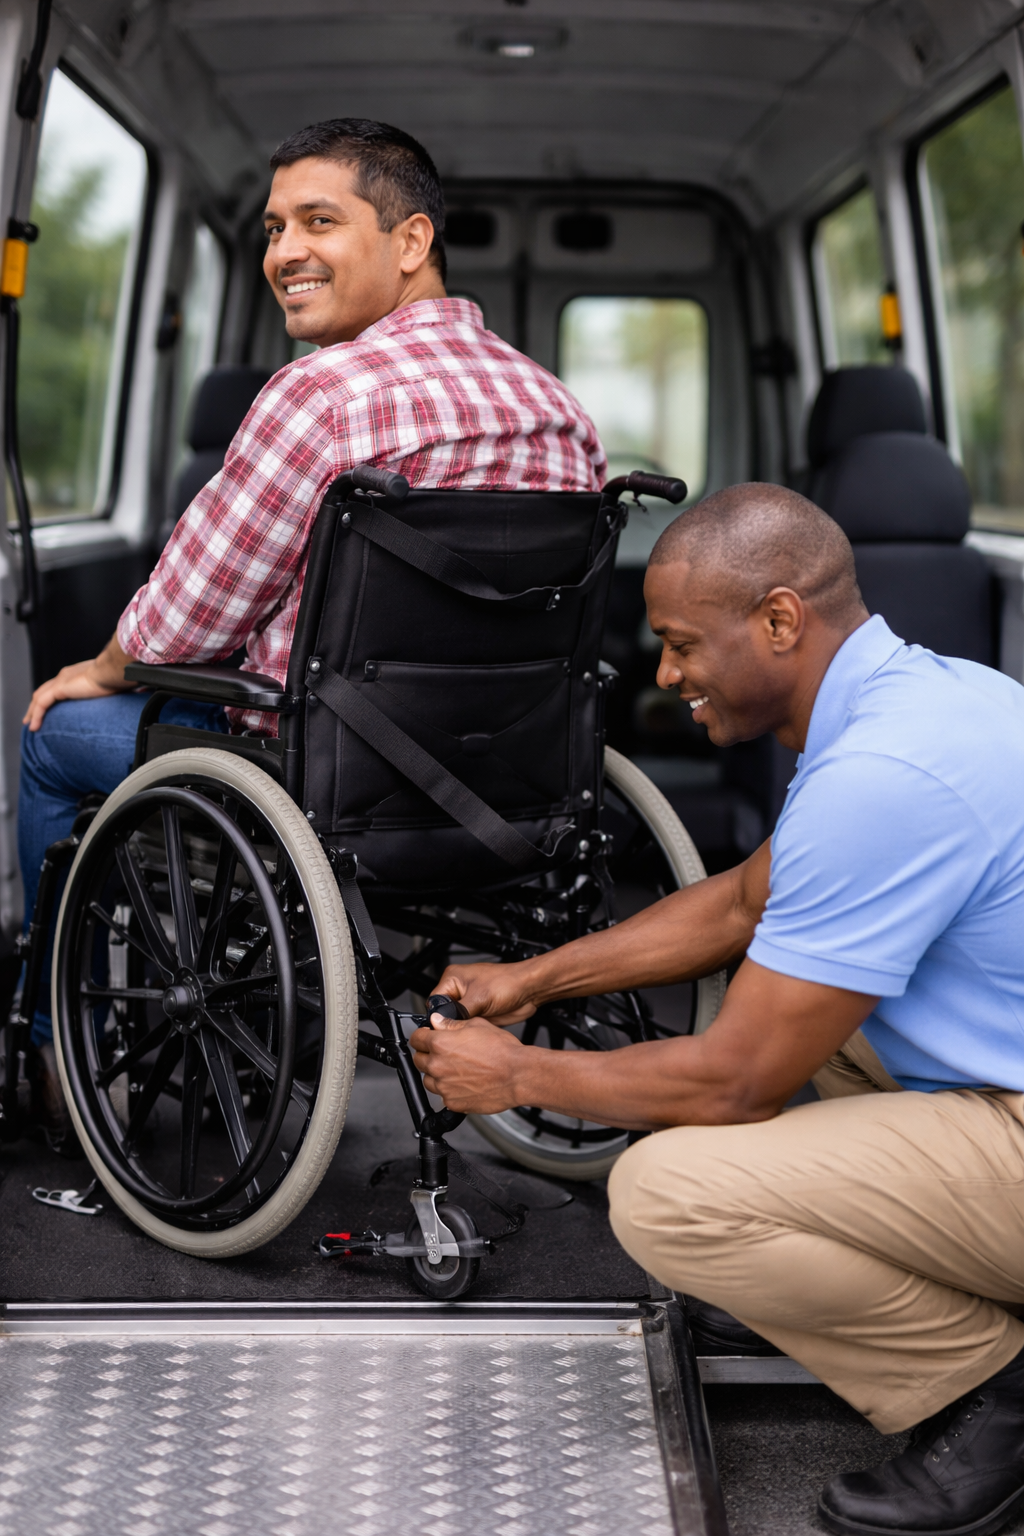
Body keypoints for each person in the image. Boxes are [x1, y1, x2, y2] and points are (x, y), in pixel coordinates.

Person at [413, 482, 1024, 1536]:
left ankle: (994, 1396)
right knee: (791, 994)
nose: (666, 675)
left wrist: (513, 1076)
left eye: (682, 644)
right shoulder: (929, 696)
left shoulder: (880, 773)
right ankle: (827, 1279)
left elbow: (734, 1083)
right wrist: (533, 980)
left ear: (780, 620)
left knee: (667, 1192)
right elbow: (748, 900)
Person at [17, 115, 604, 1153]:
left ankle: (64, 1044)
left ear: (411, 241)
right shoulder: (559, 413)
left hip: (312, 776)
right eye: (274, 225)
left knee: (56, 739)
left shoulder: (319, 399)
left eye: (318, 221)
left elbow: (182, 625)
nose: (282, 250)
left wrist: (97, 668)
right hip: (508, 786)